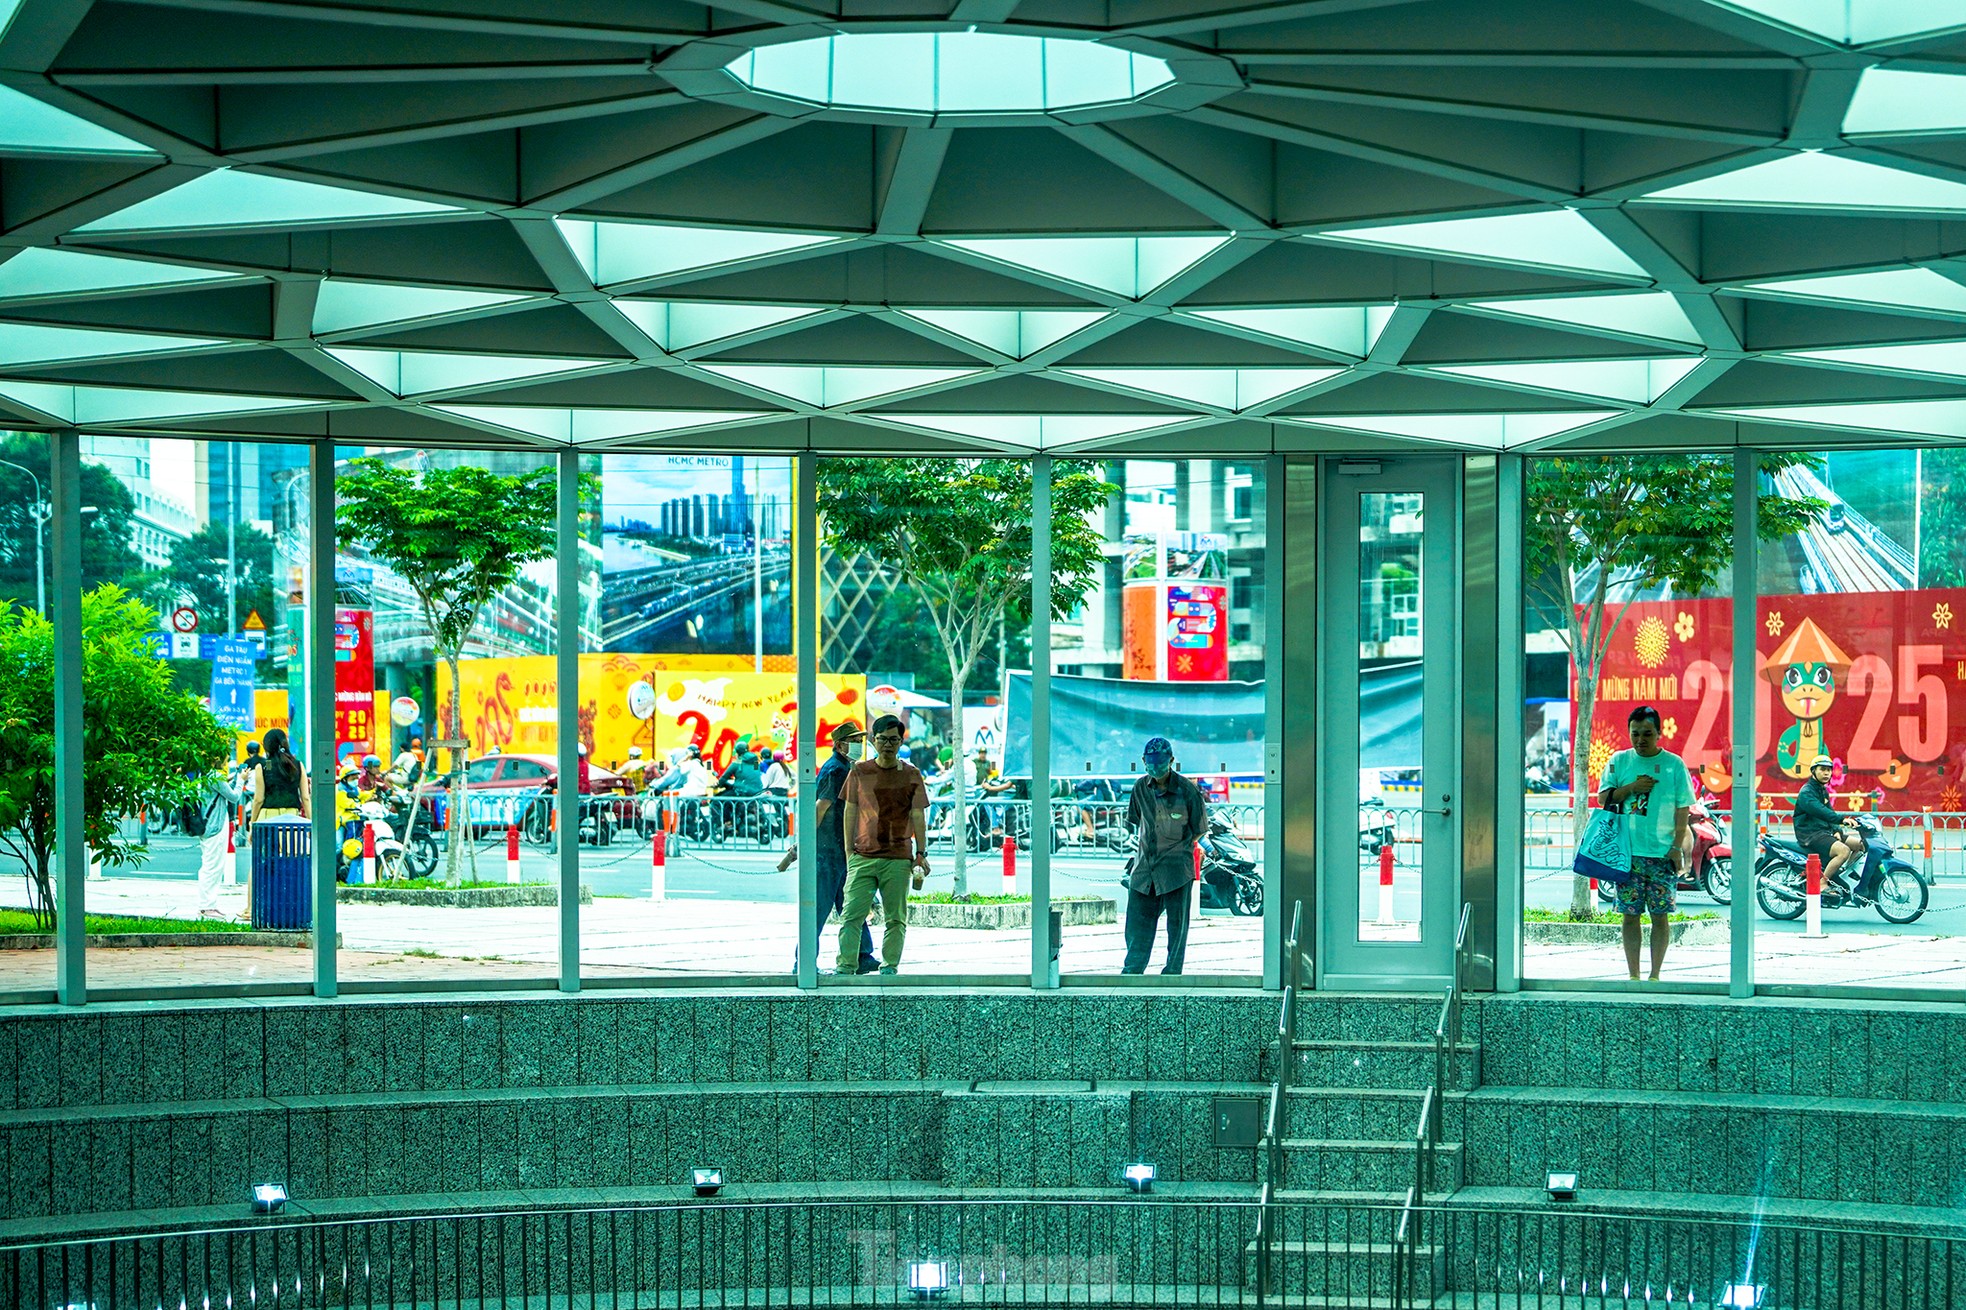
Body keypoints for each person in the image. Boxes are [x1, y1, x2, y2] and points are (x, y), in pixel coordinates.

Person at [1598, 705, 1694, 982]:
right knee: (1629, 916)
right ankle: (1633, 976)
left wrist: (1677, 848)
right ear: (1629, 732)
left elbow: (1682, 809)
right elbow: (1603, 798)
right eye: (1635, 733)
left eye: (1647, 734)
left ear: (1659, 734)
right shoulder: (1619, 761)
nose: (1641, 739)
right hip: (1626, 854)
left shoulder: (1673, 765)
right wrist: (1631, 789)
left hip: (1663, 855)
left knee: (1660, 916)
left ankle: (1655, 975)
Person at [778, 721, 878, 975]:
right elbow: (821, 808)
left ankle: (863, 955)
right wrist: (807, 842)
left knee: (852, 905)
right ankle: (804, 963)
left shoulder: (847, 767)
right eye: (853, 741)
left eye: (859, 740)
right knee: (819, 909)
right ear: (839, 745)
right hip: (827, 853)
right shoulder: (835, 770)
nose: (858, 745)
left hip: (842, 851)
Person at [837, 714, 930, 976]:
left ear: (901, 742)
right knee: (851, 915)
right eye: (882, 739)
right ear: (874, 740)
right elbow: (850, 810)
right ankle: (846, 966)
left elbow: (918, 815)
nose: (887, 744)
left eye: (893, 739)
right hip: (862, 855)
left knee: (896, 918)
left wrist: (921, 853)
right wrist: (848, 850)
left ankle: (890, 967)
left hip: (898, 857)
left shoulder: (911, 774)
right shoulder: (859, 771)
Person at [1122, 736, 1207, 975]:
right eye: (1151, 761)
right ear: (1143, 761)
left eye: (1161, 761)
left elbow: (1198, 829)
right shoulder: (1140, 788)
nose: (1155, 766)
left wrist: (1173, 846)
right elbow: (1138, 821)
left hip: (1175, 870)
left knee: (1176, 927)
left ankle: (1172, 975)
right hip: (1144, 871)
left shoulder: (1187, 790)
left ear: (1171, 761)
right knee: (1137, 926)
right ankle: (1132, 972)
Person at [1794, 754, 1861, 894]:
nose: (1826, 773)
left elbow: (1829, 811)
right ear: (1813, 771)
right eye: (1822, 769)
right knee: (1844, 851)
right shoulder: (1807, 792)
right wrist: (1841, 820)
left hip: (1824, 831)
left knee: (1861, 845)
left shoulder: (1822, 790)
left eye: (1829, 770)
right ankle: (1822, 883)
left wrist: (1837, 829)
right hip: (1810, 834)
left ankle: (1841, 874)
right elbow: (1821, 812)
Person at [195, 758, 244, 920]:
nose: (226, 761)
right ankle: (207, 906)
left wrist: (231, 778)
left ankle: (208, 905)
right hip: (215, 826)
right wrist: (241, 781)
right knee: (213, 866)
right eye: (225, 758)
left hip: (207, 826)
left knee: (210, 864)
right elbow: (234, 796)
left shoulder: (204, 775)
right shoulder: (215, 776)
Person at [250, 727, 310, 824]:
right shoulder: (297, 765)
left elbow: (259, 799)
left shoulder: (265, 766)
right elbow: (305, 798)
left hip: (267, 820)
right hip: (292, 820)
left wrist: (252, 823)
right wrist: (311, 822)